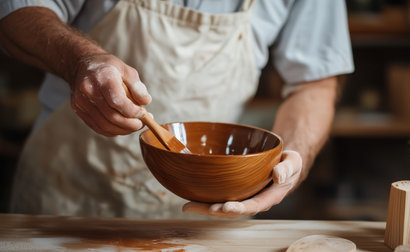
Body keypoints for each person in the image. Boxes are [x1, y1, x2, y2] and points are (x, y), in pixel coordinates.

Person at [0, 0, 354, 219]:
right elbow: (16, 10)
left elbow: (315, 82)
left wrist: (292, 162)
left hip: (210, 214)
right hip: (67, 201)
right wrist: (81, 60)